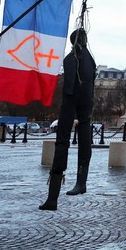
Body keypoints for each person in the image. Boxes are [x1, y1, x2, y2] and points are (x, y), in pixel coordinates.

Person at [40, 28, 97, 211]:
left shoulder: (71, 59)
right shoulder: (90, 59)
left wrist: (68, 101)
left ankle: (53, 197)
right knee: (85, 139)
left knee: (62, 141)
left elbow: (69, 86)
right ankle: (81, 182)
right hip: (86, 101)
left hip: (72, 100)